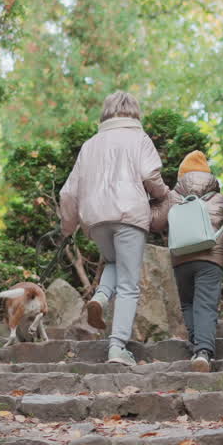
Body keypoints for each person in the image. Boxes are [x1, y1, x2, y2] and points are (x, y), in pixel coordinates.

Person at [58, 92, 169, 367]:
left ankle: (100, 296)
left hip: (96, 219)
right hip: (129, 214)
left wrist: (67, 228)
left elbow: (68, 193)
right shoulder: (139, 138)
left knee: (113, 262)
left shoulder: (90, 145)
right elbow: (150, 176)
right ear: (135, 112)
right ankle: (117, 347)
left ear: (106, 113)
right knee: (129, 285)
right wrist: (163, 194)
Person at [152, 150, 223, 373]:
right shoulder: (219, 198)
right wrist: (219, 251)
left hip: (181, 258)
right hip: (211, 259)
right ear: (208, 176)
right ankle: (203, 352)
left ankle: (197, 343)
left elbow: (157, 223)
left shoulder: (173, 196)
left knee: (188, 303)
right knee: (206, 305)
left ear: (182, 175)